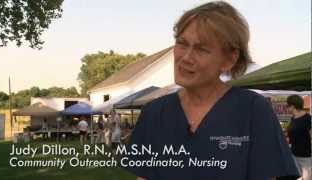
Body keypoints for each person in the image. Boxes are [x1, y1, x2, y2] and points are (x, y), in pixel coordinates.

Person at [124, 1, 299, 180]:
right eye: (182, 43)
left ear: (229, 60)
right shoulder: (153, 114)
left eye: (201, 49)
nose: (186, 57)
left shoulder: (253, 110)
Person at [286, 95, 312, 180]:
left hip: (305, 156)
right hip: (294, 154)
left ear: (293, 106)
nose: (287, 108)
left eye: (287, 105)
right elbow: (292, 134)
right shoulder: (293, 118)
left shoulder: (308, 119)